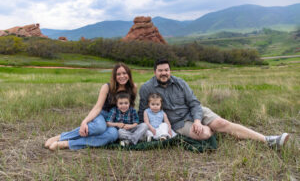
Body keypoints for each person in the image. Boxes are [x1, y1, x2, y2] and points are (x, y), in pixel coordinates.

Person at [138, 59, 289, 149]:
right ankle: (212, 129)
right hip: (178, 122)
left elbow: (194, 103)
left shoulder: (180, 83)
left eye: (166, 70)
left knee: (222, 122)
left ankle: (268, 140)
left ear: (170, 70)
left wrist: (197, 120)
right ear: (154, 72)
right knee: (204, 133)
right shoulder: (146, 88)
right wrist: (146, 130)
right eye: (160, 71)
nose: (164, 73)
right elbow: (143, 112)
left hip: (195, 112)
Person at [45, 63, 137, 150]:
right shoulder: (107, 87)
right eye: (118, 74)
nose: (122, 76)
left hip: (115, 120)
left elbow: (131, 108)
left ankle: (67, 144)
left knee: (112, 135)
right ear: (114, 76)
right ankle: (61, 137)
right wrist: (84, 122)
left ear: (128, 74)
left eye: (124, 73)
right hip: (102, 115)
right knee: (99, 128)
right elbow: (97, 107)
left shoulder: (133, 88)